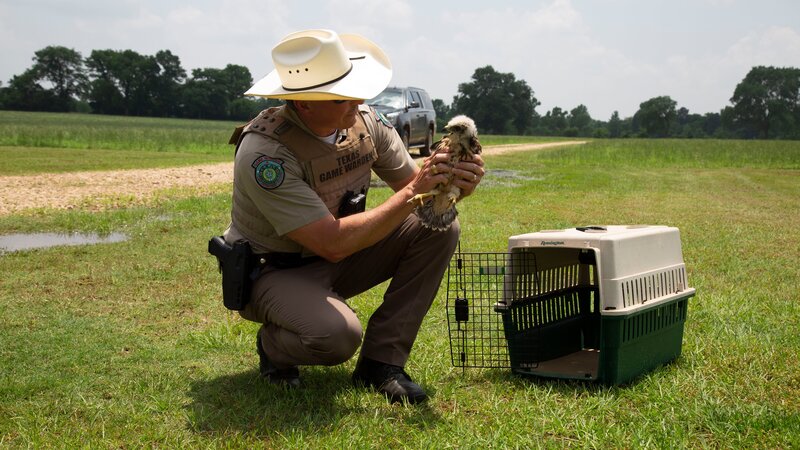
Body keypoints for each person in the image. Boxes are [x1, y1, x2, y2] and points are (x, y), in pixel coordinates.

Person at [221, 29, 484, 404]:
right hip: (275, 271)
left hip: (341, 255)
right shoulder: (266, 154)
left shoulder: (365, 123)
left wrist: (455, 184)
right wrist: (414, 192)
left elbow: (421, 198)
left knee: (439, 230)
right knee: (336, 336)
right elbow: (330, 241)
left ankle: (382, 363)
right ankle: (274, 346)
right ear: (305, 103)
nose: (358, 100)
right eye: (343, 96)